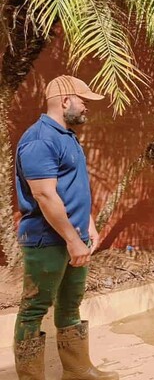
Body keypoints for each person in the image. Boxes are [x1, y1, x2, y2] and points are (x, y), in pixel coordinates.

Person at [13, 76, 117, 380]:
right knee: (34, 309)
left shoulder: (67, 136)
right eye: (83, 100)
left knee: (71, 305)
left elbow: (73, 187)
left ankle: (77, 371)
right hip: (47, 240)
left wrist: (88, 225)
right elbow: (44, 195)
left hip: (75, 237)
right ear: (65, 101)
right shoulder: (39, 140)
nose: (86, 106)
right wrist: (73, 240)